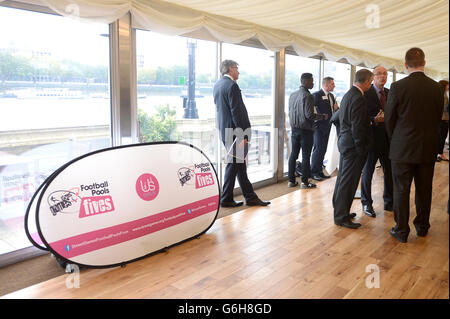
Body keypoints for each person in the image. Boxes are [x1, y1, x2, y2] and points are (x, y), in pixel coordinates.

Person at [384, 47, 443, 243]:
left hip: (401, 147)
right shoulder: (436, 88)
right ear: (424, 63)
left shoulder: (397, 87)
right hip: (427, 146)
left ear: (405, 65)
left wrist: (397, 138)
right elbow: (437, 118)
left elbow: (389, 119)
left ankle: (401, 230)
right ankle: (422, 227)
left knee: (401, 189)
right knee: (424, 188)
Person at [213, 59, 270, 208]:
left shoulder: (217, 85)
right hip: (235, 132)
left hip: (224, 130)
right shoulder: (232, 86)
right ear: (231, 69)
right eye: (237, 69)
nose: (238, 72)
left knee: (239, 166)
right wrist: (242, 136)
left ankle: (250, 197)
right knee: (233, 165)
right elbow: (236, 112)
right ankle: (226, 198)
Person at [332, 69, 374, 229]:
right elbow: (357, 126)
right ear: (365, 81)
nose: (370, 85)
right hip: (352, 146)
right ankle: (341, 216)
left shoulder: (349, 94)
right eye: (370, 82)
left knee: (343, 179)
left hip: (345, 143)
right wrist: (361, 146)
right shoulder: (357, 97)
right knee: (348, 182)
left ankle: (340, 211)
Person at [360, 66, 394, 218]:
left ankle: (389, 201)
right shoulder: (365, 93)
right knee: (368, 172)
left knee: (389, 171)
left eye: (385, 74)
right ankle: (366, 202)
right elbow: (360, 117)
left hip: (388, 140)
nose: (382, 76)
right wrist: (374, 119)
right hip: (371, 139)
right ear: (372, 77)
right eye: (379, 74)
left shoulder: (389, 93)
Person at [288, 73, 328, 188]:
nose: (313, 83)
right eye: (311, 81)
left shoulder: (292, 95)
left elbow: (291, 112)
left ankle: (291, 180)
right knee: (306, 156)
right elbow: (309, 115)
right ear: (305, 82)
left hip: (294, 129)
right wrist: (322, 116)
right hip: (305, 131)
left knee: (293, 155)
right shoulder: (308, 96)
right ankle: (305, 182)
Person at [311, 77, 339, 181]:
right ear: (326, 85)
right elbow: (312, 112)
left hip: (328, 127)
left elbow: (334, 111)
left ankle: (319, 171)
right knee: (318, 150)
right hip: (319, 127)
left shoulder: (331, 96)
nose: (334, 86)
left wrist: (336, 109)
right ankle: (314, 172)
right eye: (332, 84)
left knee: (323, 150)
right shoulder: (316, 95)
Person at [436, 80, 449, 162]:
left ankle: (440, 154)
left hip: (445, 118)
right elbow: (443, 108)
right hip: (442, 119)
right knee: (440, 137)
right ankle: (438, 154)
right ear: (444, 85)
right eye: (448, 85)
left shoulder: (444, 94)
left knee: (442, 137)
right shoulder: (441, 95)